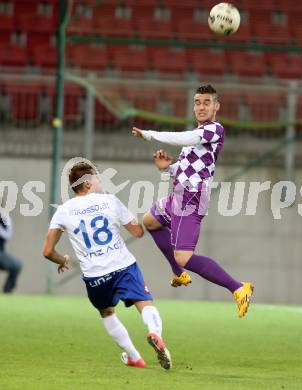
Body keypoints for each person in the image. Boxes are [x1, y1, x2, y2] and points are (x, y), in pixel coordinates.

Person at [132, 84, 254, 319]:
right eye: (197, 102)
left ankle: (239, 288)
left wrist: (149, 135)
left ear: (216, 106)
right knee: (150, 220)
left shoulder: (214, 129)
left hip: (192, 198)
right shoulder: (196, 138)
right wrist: (167, 169)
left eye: (206, 102)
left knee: (184, 256)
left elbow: (182, 139)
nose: (201, 106)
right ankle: (179, 273)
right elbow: (188, 168)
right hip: (180, 194)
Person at [43, 161, 172, 370]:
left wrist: (63, 260)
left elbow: (48, 251)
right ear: (86, 183)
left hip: (95, 276)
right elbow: (138, 232)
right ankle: (155, 333)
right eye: (97, 178)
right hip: (124, 267)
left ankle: (134, 357)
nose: (100, 181)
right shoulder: (110, 201)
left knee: (107, 313)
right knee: (144, 301)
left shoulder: (63, 211)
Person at [0, 209, 22, 293]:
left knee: (16, 265)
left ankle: (7, 291)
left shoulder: (5, 219)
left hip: (1, 254)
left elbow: (7, 235)